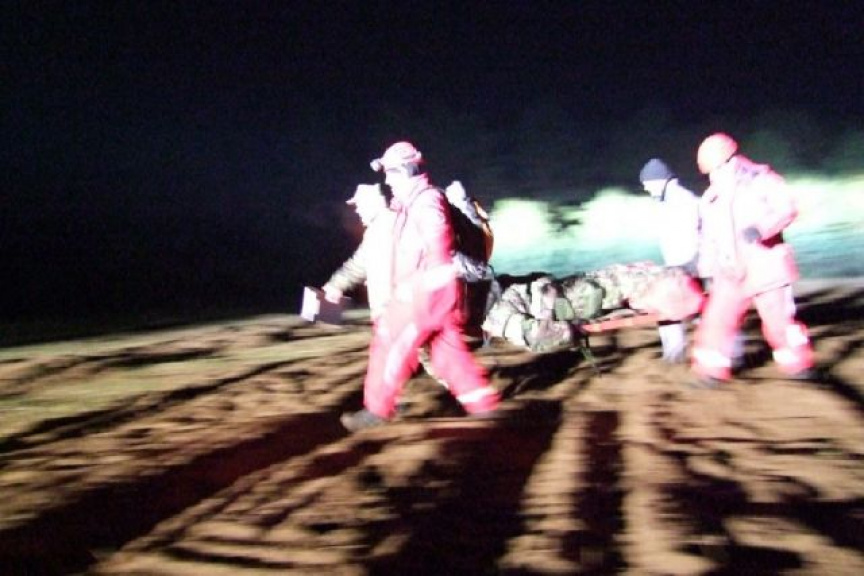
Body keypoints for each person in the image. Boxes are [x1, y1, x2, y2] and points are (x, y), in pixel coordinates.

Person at [340, 141, 500, 431]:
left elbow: (438, 241)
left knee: (389, 342)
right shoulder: (412, 202)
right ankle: (484, 406)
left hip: (426, 292)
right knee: (446, 351)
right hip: (439, 291)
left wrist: (417, 286)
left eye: (391, 173)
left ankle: (376, 410)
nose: (388, 180)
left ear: (405, 170)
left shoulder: (425, 200)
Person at [690, 132, 816, 388]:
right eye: (709, 172)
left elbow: (787, 208)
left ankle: (799, 365)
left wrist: (761, 228)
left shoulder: (762, 180)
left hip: (765, 266)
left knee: (779, 321)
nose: (712, 176)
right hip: (729, 271)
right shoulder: (711, 198)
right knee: (716, 320)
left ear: (730, 160)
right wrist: (706, 267)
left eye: (715, 169)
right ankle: (710, 372)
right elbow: (707, 237)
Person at [483, 262, 704, 352]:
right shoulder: (498, 312)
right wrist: (556, 317)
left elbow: (538, 336)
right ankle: (686, 285)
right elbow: (540, 338)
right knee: (620, 281)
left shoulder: (495, 303)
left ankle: (685, 284)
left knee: (620, 280)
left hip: (565, 295)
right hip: (567, 299)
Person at [639, 158, 701, 363]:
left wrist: (687, 267)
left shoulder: (683, 201)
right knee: (669, 302)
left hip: (691, 267)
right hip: (681, 266)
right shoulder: (668, 201)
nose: (646, 188)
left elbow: (695, 237)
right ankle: (675, 353)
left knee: (665, 302)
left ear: (659, 180)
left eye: (647, 184)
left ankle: (674, 354)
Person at [322, 184, 395, 319]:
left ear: (372, 204)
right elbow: (362, 262)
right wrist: (337, 285)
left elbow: (365, 263)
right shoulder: (378, 228)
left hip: (394, 307)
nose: (358, 210)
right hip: (391, 306)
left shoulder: (385, 227)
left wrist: (336, 285)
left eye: (360, 205)